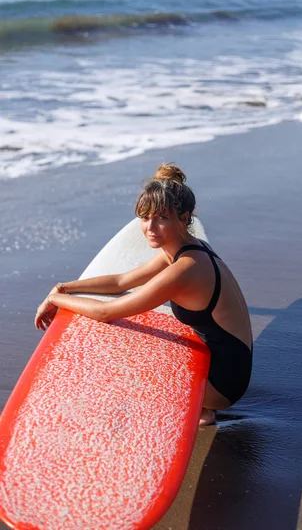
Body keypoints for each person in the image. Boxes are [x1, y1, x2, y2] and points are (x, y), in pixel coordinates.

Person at [35, 164, 253, 426]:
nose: (150, 227)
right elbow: (121, 281)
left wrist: (54, 300)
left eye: (162, 218)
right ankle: (195, 406)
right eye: (145, 217)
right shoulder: (187, 249)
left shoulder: (187, 269)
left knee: (122, 356)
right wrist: (65, 287)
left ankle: (199, 409)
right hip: (230, 364)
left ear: (183, 218)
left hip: (223, 384)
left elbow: (106, 312)